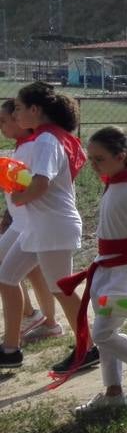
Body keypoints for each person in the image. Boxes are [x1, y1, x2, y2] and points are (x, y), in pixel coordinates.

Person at [66, 127, 127, 413]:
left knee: (102, 333)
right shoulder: (112, 183)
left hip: (126, 270)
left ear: (121, 156)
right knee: (106, 329)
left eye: (99, 159)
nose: (93, 165)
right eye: (91, 158)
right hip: (105, 268)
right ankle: (113, 392)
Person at [0, 82, 89, 372]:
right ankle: (10, 350)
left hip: (53, 227)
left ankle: (89, 347)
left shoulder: (48, 140)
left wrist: (18, 197)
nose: (16, 114)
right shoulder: (44, 139)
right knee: (7, 277)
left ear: (35, 110)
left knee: (61, 289)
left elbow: (40, 183)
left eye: (19, 108)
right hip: (39, 228)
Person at [0, 99, 61, 345]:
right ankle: (48, 322)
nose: (1, 126)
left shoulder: (35, 146)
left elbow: (35, 186)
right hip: (22, 222)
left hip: (30, 225)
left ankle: (29, 318)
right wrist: (9, 213)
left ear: (20, 121)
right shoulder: (24, 146)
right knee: (34, 273)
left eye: (4, 121)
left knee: (8, 276)